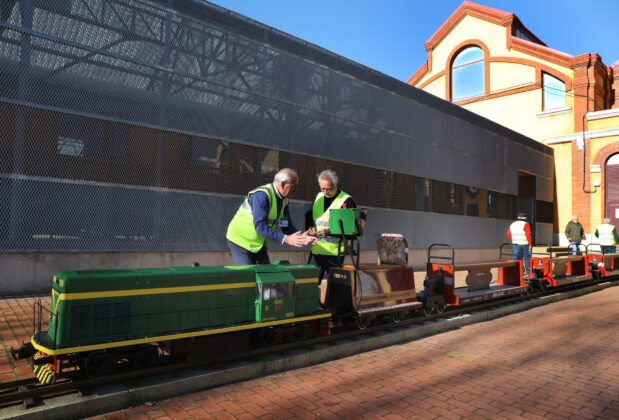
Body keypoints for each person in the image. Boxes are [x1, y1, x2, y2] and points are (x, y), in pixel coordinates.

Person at [226, 168, 315, 265]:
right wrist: (286, 239)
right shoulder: (261, 196)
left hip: (258, 244)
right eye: (294, 186)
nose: (296, 190)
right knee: (248, 276)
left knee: (266, 276)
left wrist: (300, 237)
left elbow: (285, 225)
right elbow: (260, 227)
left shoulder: (284, 200)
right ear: (283, 184)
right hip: (240, 241)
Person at [305, 169, 356, 282]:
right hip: (317, 251)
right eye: (322, 188)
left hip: (335, 254)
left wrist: (329, 232)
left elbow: (351, 230)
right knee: (309, 284)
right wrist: (310, 228)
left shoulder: (346, 200)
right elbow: (309, 216)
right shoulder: (318, 197)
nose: (325, 192)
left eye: (329, 189)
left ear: (336, 184)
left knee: (334, 287)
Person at [506, 213, 532, 277]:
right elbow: (528, 234)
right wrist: (530, 244)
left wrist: (513, 240)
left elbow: (508, 234)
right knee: (526, 258)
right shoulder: (526, 224)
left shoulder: (513, 224)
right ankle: (528, 273)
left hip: (515, 244)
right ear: (525, 218)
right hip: (524, 244)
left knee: (515, 257)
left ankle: (513, 272)